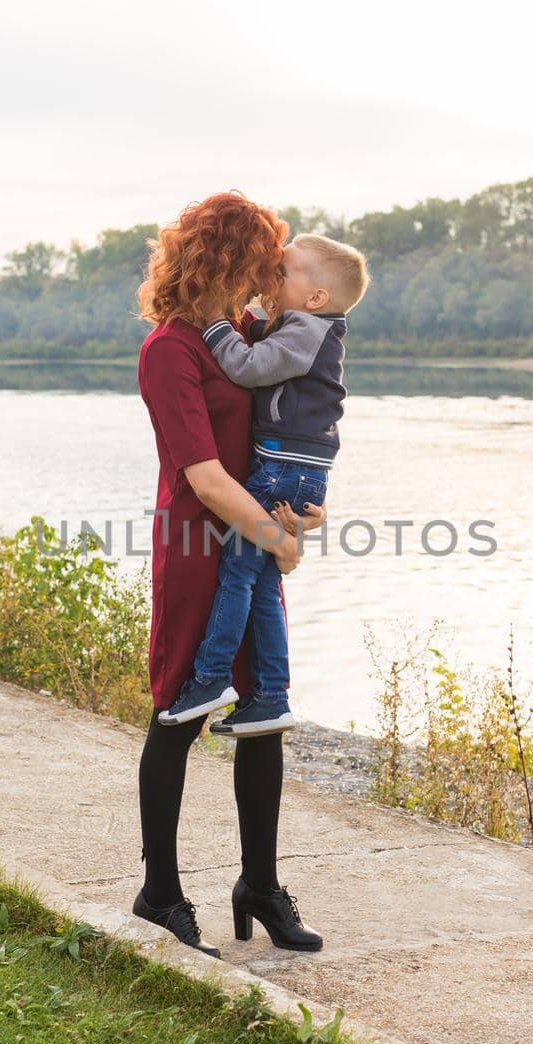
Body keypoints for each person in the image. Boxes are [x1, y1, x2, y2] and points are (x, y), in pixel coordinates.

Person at [133, 193, 324, 958]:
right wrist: (279, 540)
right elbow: (206, 478)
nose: (270, 275)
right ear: (227, 259)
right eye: (262, 260)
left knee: (264, 713)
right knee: (179, 712)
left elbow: (289, 433)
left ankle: (260, 885)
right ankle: (161, 892)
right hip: (198, 547)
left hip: (252, 542)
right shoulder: (169, 350)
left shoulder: (251, 337)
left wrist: (299, 507)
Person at [157, 234, 369, 737]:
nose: (271, 277)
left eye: (283, 272)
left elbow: (251, 366)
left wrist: (214, 324)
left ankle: (210, 679)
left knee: (238, 573)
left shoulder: (307, 333)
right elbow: (268, 339)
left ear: (315, 298)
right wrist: (248, 318)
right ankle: (272, 696)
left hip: (283, 470)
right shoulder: (303, 326)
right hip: (293, 469)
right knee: (265, 582)